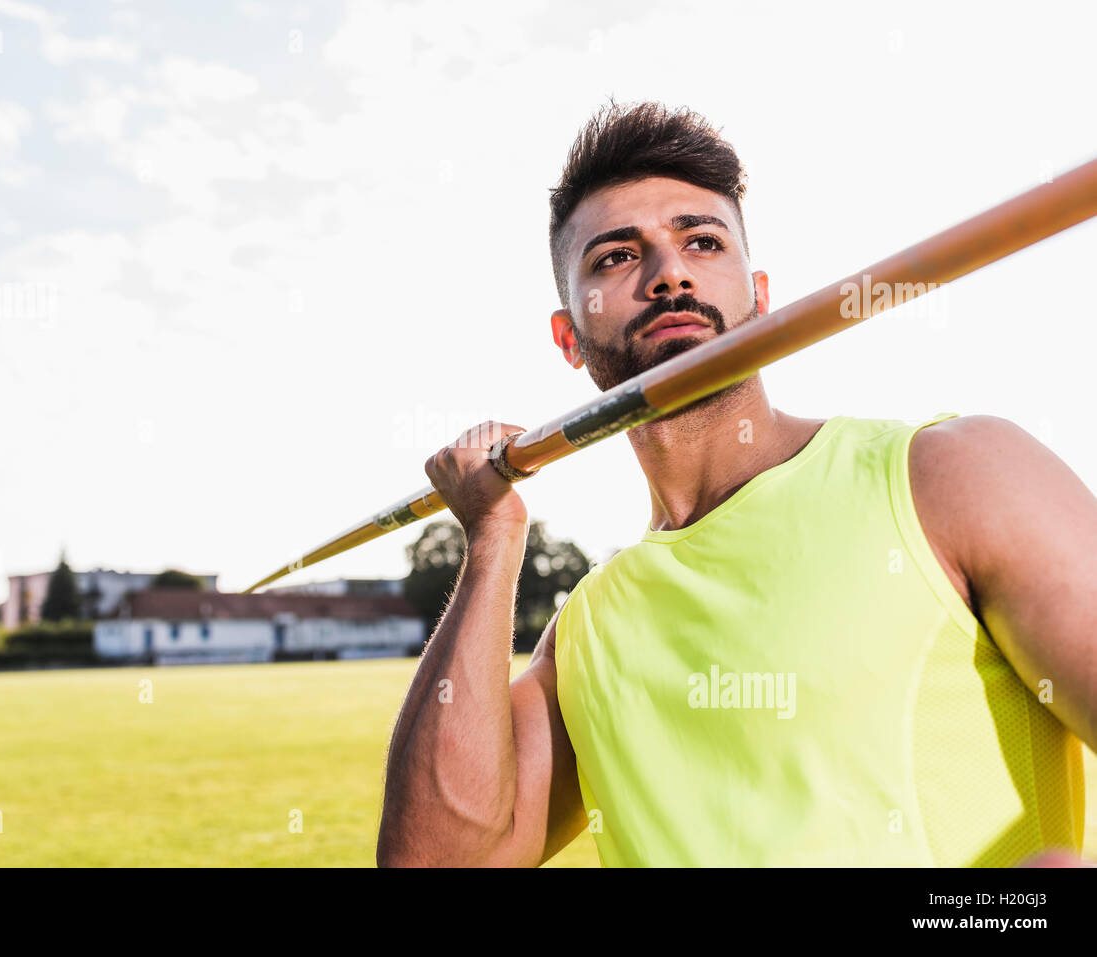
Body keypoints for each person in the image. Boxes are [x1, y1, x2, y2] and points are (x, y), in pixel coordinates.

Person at [376, 100, 1096, 867]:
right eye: (617, 256)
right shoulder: (584, 635)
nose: (670, 272)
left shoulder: (956, 473)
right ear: (568, 337)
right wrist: (491, 540)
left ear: (760, 296)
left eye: (702, 241)